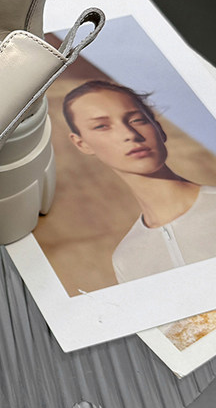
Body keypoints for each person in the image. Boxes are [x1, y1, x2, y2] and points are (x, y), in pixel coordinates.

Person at [63, 79, 216, 349]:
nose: (129, 134)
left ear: (158, 127)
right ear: (81, 143)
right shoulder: (127, 258)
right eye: (102, 126)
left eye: (137, 120)